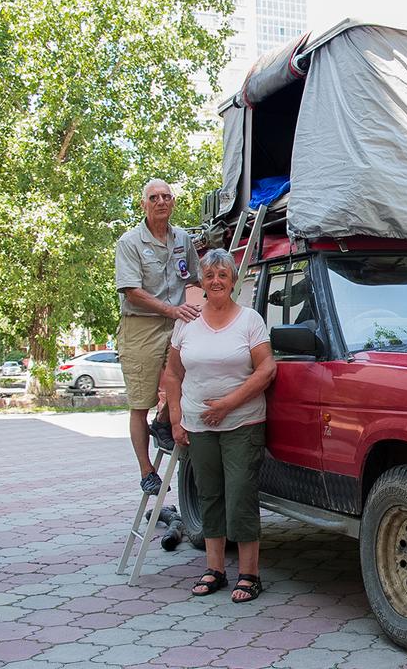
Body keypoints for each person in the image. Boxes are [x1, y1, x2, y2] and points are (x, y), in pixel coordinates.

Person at [163, 249, 276, 603]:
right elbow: (173, 374)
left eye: (222, 275)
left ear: (233, 281)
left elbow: (266, 369)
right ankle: (214, 570)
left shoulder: (249, 320)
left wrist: (228, 404)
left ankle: (249, 575)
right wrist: (176, 419)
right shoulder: (186, 322)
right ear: (202, 281)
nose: (216, 281)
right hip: (198, 424)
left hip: (242, 421)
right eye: (210, 275)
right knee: (209, 494)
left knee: (240, 493)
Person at [114, 179, 201, 496]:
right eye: (154, 197)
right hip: (143, 324)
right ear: (144, 204)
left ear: (173, 202)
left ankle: (163, 422)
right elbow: (131, 291)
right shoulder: (130, 242)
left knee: (192, 374)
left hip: (177, 321)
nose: (161, 201)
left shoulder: (182, 238)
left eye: (166, 196)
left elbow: (196, 277)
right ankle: (146, 471)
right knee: (141, 400)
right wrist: (170, 310)